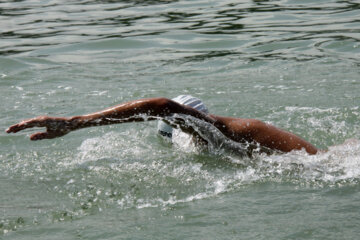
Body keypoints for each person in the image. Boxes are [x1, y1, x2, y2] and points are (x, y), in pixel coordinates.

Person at [6, 95, 318, 155]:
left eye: (190, 130)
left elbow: (161, 106)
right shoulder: (207, 141)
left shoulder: (241, 130)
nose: (193, 139)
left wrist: (75, 123)